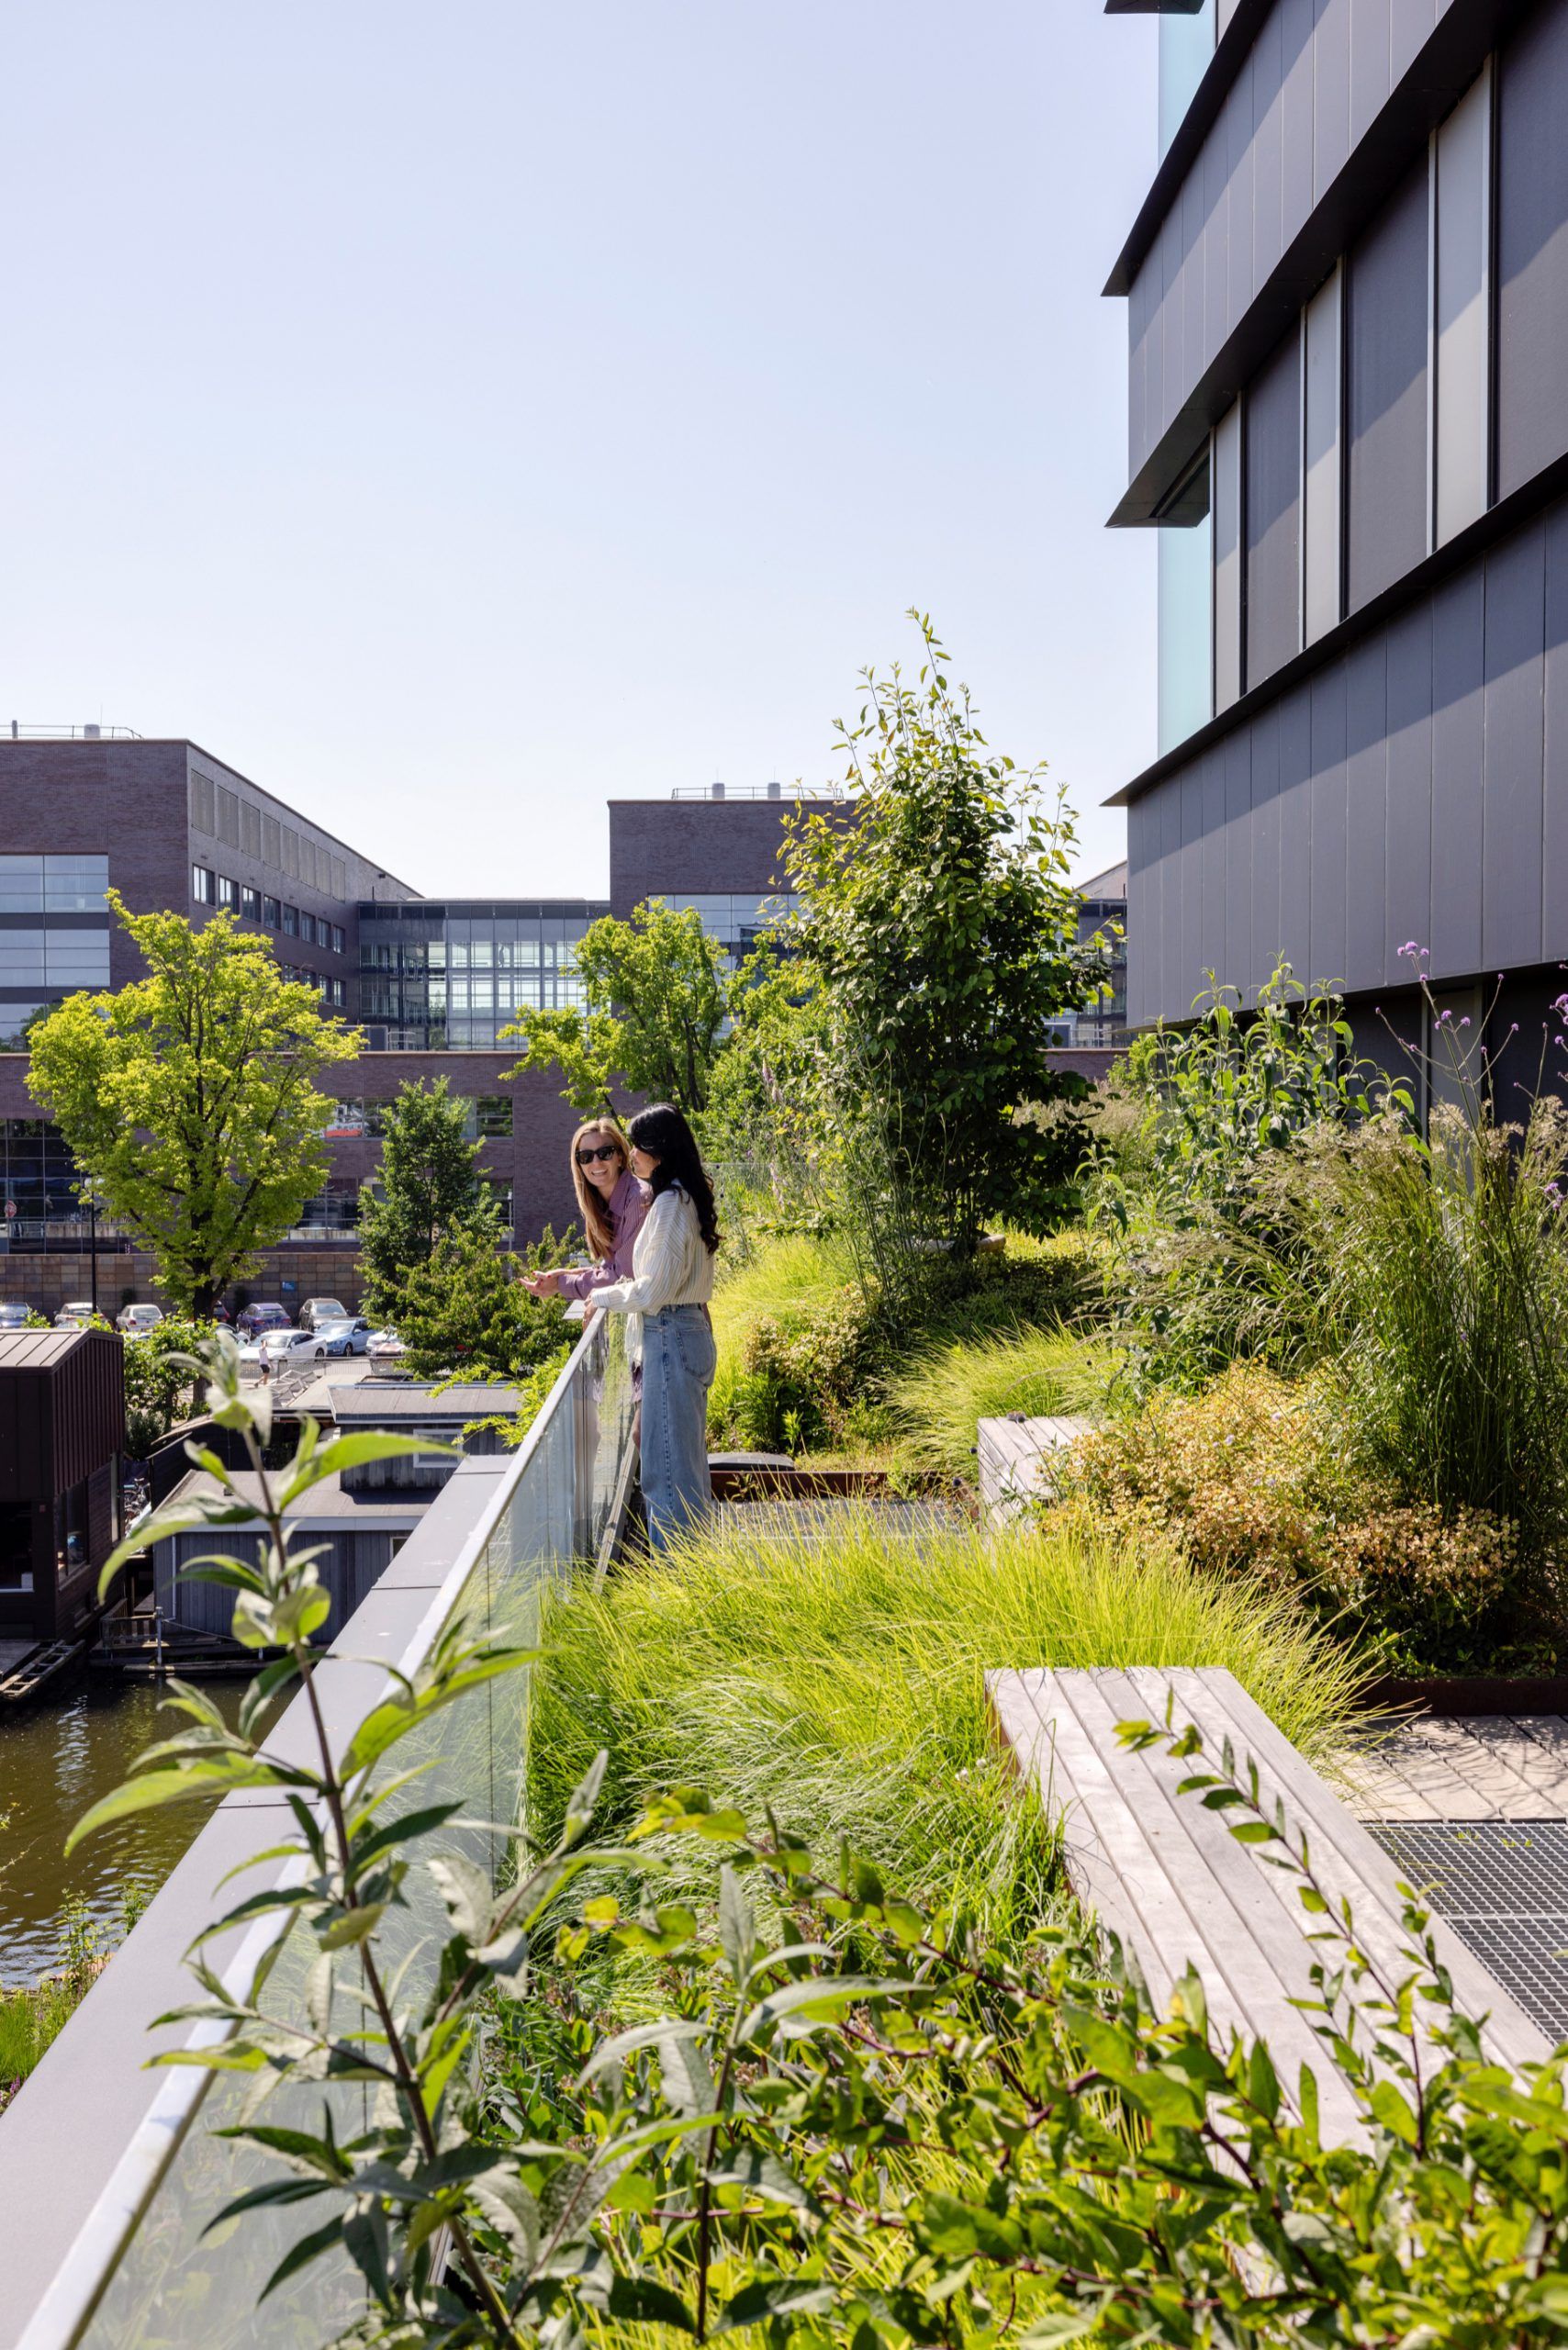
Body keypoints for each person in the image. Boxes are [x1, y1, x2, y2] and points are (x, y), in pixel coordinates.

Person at [591, 1102, 720, 1549]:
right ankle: (698, 1575)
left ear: (659, 1150)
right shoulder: (686, 1196)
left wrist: (600, 1296)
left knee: (666, 1475)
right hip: (687, 1334)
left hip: (670, 1336)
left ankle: (678, 1585)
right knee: (686, 1469)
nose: (631, 1156)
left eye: (637, 1146)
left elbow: (651, 1292)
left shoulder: (670, 1204)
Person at [522, 1118, 649, 1310]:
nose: (596, 1162)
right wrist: (567, 1275)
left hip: (673, 1328)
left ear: (620, 1157)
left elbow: (624, 1277)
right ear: (579, 1164)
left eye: (605, 1153)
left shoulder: (638, 1199)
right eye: (586, 1157)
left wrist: (563, 1284)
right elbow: (612, 1268)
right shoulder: (600, 1207)